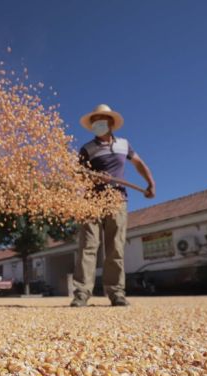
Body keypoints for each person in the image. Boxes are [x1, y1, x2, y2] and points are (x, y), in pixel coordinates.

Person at [71, 104, 155, 307]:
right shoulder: (87, 149)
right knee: (88, 247)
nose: (97, 124)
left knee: (115, 247)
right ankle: (82, 293)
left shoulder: (124, 145)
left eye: (101, 120)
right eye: (94, 121)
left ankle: (116, 293)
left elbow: (139, 164)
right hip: (91, 202)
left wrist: (150, 183)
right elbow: (77, 177)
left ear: (110, 123)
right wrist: (94, 181)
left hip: (117, 200)